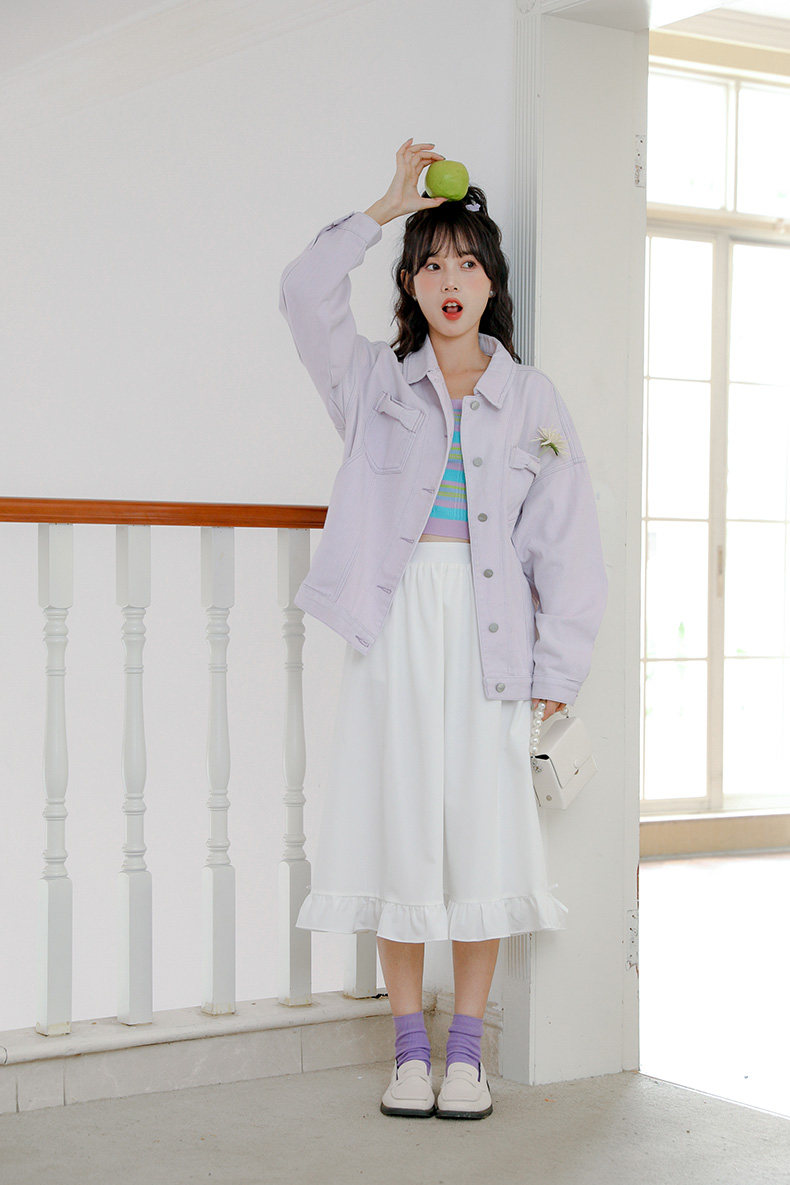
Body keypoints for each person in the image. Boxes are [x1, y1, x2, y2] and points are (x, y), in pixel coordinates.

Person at [278, 138, 608, 1120]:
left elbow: (567, 544)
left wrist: (557, 670)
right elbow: (301, 292)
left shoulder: (531, 398)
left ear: (491, 282)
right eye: (431, 264)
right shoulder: (373, 384)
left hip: (492, 637)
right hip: (391, 633)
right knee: (399, 830)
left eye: (467, 263)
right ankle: (408, 1051)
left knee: (479, 838)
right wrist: (383, 207)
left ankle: (466, 1053)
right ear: (410, 286)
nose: (450, 280)